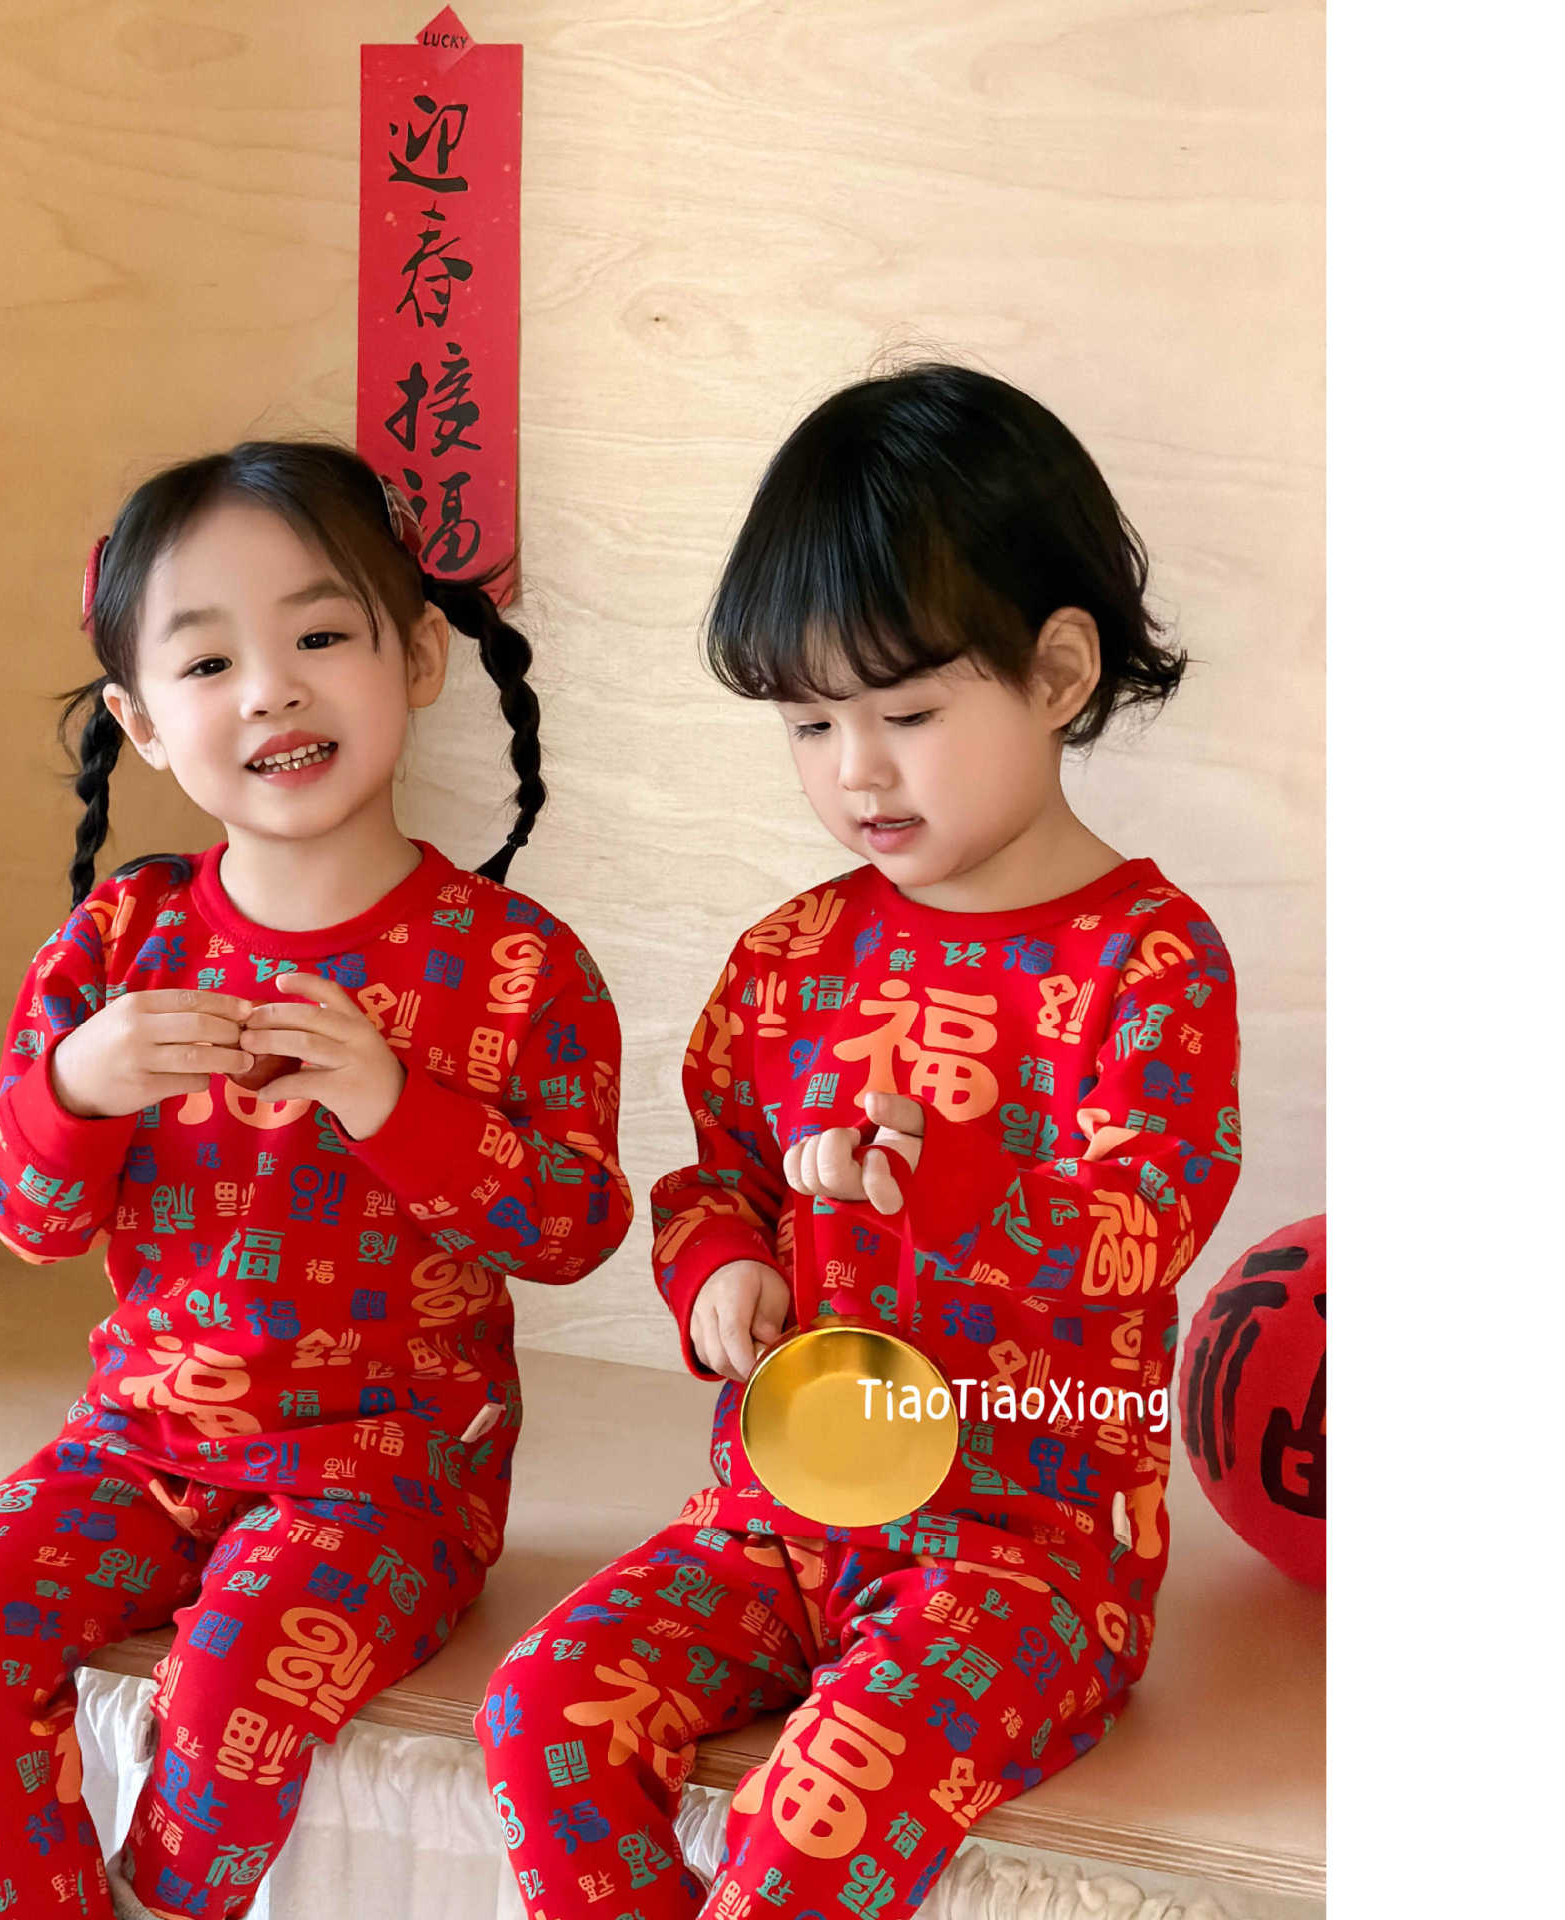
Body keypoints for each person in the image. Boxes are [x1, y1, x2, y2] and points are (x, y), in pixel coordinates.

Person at [478, 365, 1243, 1919]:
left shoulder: (1149, 962)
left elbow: (1146, 1223)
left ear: (1059, 671)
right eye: (810, 722)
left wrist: (945, 1178)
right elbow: (711, 1176)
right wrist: (720, 1273)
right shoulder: (789, 956)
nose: (856, 771)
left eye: (905, 713)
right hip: (776, 1521)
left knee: (811, 1814)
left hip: (1024, 1562)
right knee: (540, 1712)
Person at [0, 440, 634, 1920]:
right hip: (137, 1443)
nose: (270, 692)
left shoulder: (516, 962)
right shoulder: (117, 945)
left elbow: (573, 1232)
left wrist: (394, 1105)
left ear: (419, 655)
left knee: (226, 1679)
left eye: (319, 637)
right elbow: (26, 1218)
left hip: (392, 1477)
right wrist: (74, 1086)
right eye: (208, 662)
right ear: (142, 723)